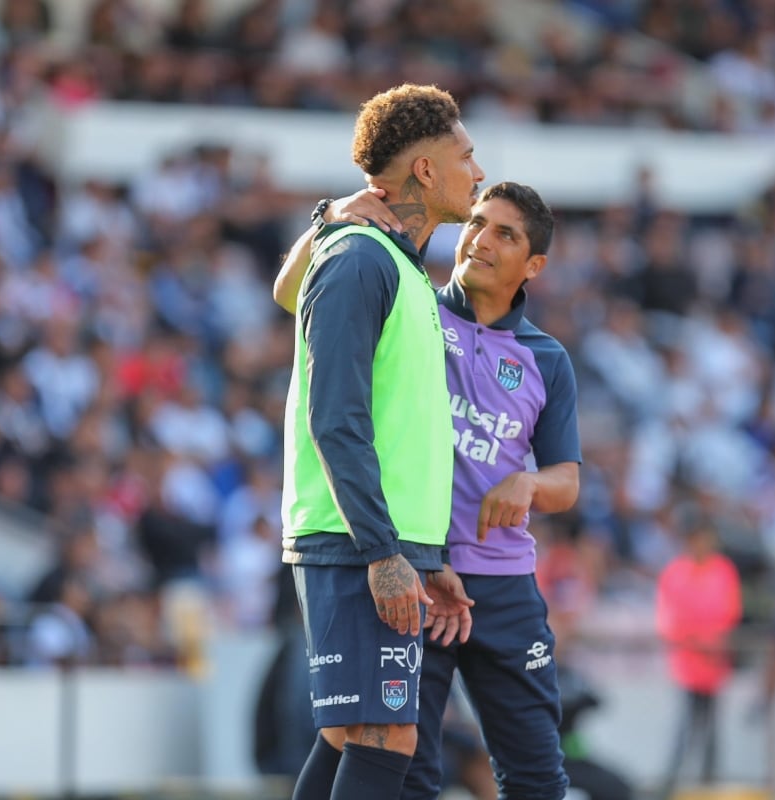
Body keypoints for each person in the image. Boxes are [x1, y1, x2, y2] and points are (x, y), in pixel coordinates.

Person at [275, 180, 582, 799]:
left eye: (505, 234)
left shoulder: (546, 358)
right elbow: (289, 292)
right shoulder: (413, 307)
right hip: (414, 575)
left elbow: (566, 483)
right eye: (476, 223)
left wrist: (528, 482)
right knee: (405, 771)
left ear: (534, 265)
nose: (481, 240)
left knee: (537, 777)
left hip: (502, 586)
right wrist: (330, 217)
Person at [279, 83, 485, 800]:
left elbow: (285, 293)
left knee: (352, 734)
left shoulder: (395, 264)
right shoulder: (360, 259)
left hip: (387, 540)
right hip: (354, 539)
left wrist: (427, 556)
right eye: (465, 156)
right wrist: (381, 551)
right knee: (383, 734)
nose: (478, 172)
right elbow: (335, 418)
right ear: (424, 170)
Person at [655, 517, 742, 797]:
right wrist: (695, 641)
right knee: (687, 722)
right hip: (688, 659)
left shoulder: (723, 570)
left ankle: (709, 779)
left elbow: (730, 611)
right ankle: (672, 780)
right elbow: (668, 619)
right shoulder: (675, 572)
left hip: (714, 659)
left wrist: (714, 641)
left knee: (712, 724)